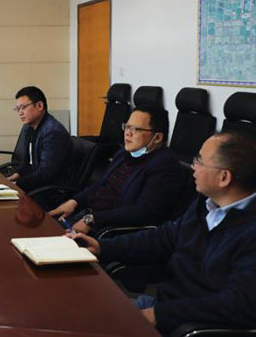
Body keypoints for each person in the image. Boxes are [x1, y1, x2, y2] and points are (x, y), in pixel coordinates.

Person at [73, 131, 256, 335]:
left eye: (199, 160)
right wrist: (103, 247)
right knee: (76, 313)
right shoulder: (205, 205)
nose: (193, 166)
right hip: (162, 306)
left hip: (185, 326)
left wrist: (159, 315)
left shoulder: (250, 232)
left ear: (223, 178)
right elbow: (163, 238)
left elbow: (238, 303)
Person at [49, 106, 184, 233]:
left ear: (157, 137)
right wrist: (74, 201)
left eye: (135, 129)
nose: (127, 133)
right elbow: (102, 184)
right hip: (88, 215)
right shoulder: (123, 154)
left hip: (109, 230)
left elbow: (143, 212)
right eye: (127, 127)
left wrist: (92, 219)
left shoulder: (165, 166)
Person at [7, 86, 74, 193]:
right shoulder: (29, 128)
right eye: (17, 109)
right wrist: (15, 176)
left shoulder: (53, 132)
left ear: (40, 106)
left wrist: (17, 185)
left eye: (23, 107)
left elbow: (46, 174)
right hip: (38, 185)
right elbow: (27, 163)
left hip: (51, 191)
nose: (20, 112)